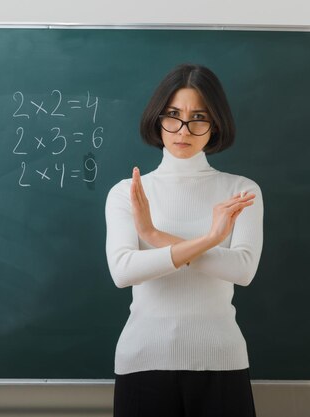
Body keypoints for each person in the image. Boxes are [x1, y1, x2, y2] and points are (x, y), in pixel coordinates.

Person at [105, 63, 264, 417]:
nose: (183, 129)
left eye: (199, 118)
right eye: (173, 115)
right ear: (157, 119)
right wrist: (210, 240)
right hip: (142, 359)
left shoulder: (241, 191)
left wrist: (154, 236)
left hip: (221, 360)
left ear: (216, 123)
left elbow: (243, 269)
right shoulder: (129, 192)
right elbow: (123, 271)